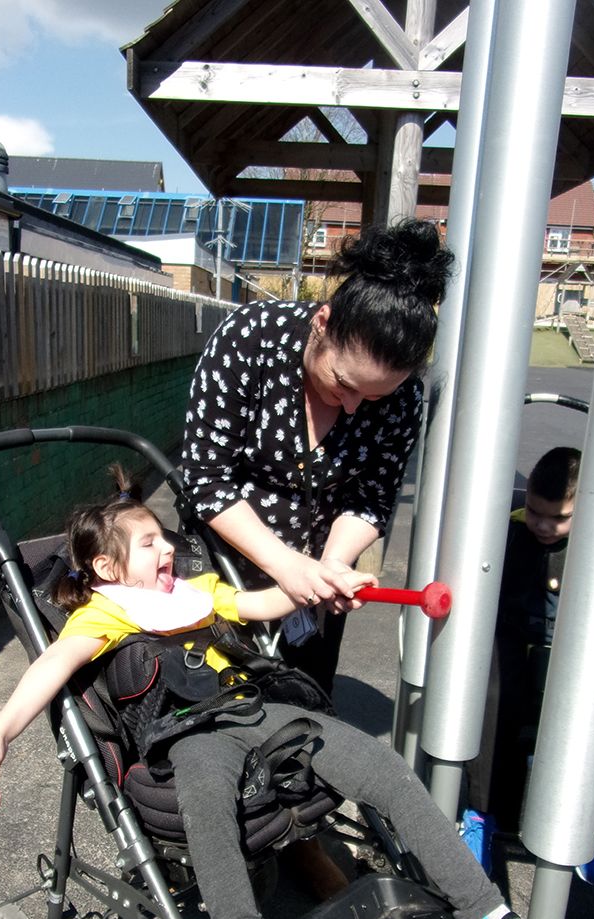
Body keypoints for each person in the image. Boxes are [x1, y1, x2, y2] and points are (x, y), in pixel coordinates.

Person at [0, 476, 579, 919]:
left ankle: (486, 916)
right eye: (150, 542)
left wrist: (313, 583)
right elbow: (52, 666)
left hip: (257, 711)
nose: (168, 551)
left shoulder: (196, 591)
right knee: (206, 802)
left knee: (382, 766)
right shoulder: (102, 613)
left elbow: (260, 606)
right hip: (189, 734)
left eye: (164, 538)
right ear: (107, 567)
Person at [181, 217, 455, 695]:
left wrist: (331, 565)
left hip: (312, 585)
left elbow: (371, 498)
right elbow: (206, 478)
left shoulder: (405, 398)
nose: (352, 407)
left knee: (300, 706)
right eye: (345, 384)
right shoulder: (250, 340)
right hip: (217, 568)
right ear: (322, 323)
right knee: (212, 706)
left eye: (372, 399)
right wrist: (287, 566)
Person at [462, 447, 594, 886]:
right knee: (487, 695)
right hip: (512, 651)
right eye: (537, 514)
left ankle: (590, 824)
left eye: (558, 518)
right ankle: (482, 814)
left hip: (570, 654)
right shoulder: (511, 533)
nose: (543, 525)